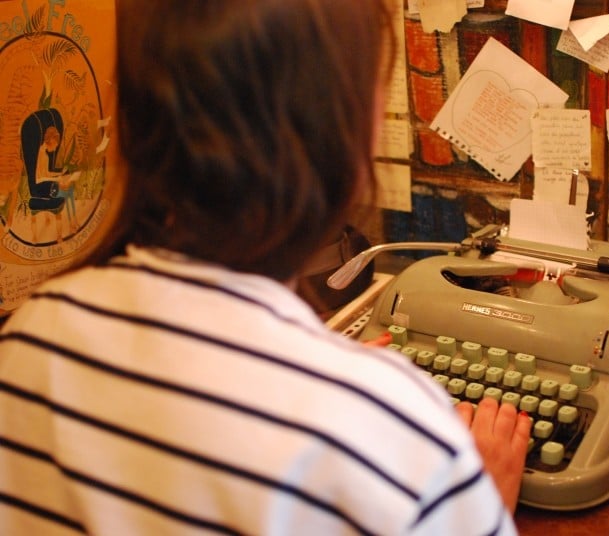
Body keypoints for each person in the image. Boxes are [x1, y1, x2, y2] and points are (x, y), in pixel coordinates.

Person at [0, 1, 531, 534]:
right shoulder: (397, 436)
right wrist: (472, 504)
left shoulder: (31, 336)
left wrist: (325, 386)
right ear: (350, 128)